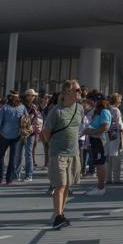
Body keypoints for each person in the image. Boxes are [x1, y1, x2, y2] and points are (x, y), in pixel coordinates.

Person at [42, 79, 84, 229]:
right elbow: (46, 132)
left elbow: (78, 128)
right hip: (58, 153)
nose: (80, 92)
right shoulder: (56, 111)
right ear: (67, 92)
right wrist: (53, 145)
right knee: (60, 185)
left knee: (67, 186)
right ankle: (58, 216)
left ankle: (61, 213)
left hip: (73, 153)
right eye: (77, 90)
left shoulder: (79, 108)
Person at [0, 90, 26, 184]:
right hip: (17, 135)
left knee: (1, 156)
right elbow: (27, 119)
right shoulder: (22, 107)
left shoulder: (5, 107)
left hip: (4, 134)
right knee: (12, 158)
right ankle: (9, 180)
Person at [83, 94, 111, 194]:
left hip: (100, 140)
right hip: (95, 139)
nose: (95, 102)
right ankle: (99, 185)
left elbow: (105, 127)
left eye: (98, 100)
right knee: (97, 163)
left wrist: (91, 132)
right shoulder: (98, 111)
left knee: (100, 163)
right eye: (95, 100)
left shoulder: (104, 111)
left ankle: (101, 188)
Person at [104, 92, 123, 185]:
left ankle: (108, 178)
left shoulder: (106, 109)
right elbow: (119, 124)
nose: (120, 103)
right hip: (115, 135)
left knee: (108, 157)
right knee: (116, 157)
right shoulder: (116, 110)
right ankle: (116, 178)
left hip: (106, 134)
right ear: (116, 102)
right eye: (120, 102)